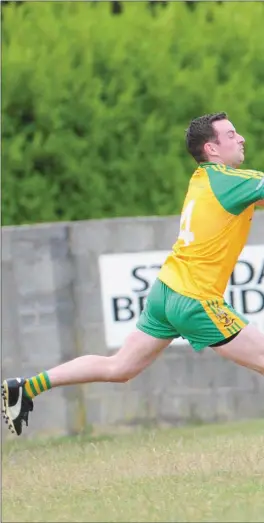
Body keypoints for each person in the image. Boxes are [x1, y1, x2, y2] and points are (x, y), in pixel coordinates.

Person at [2, 112, 264, 436]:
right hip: (195, 299)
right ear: (211, 149)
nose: (241, 139)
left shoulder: (204, 178)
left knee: (119, 367)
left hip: (166, 291)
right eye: (231, 134)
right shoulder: (232, 181)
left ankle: (25, 387)